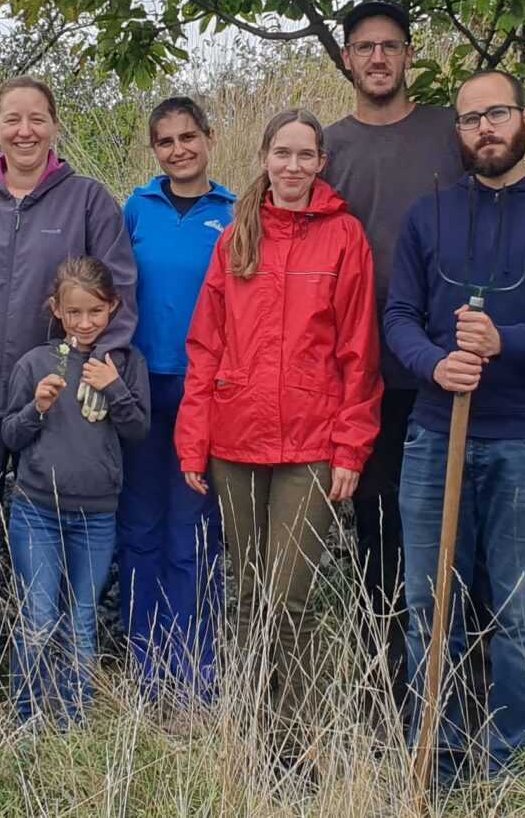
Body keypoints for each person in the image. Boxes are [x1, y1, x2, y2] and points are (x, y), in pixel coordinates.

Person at [388, 69, 525, 783]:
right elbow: (398, 316)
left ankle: (507, 762)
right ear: (457, 132)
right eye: (470, 119)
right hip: (433, 436)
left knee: (520, 609)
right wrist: (436, 365)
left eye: (498, 114)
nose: (485, 128)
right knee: (431, 605)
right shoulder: (429, 216)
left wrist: (504, 342)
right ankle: (440, 755)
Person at [0, 76, 138, 697]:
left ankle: (60, 683)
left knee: (56, 534)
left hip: (60, 400)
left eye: (37, 118)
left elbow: (119, 292)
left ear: (55, 126)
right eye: (12, 119)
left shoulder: (89, 201)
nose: (25, 131)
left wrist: (100, 372)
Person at [175, 109, 381, 769]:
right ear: (263, 156)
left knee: (286, 598)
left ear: (321, 162)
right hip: (236, 441)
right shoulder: (238, 235)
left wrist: (351, 446)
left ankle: (290, 745)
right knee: (246, 589)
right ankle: (249, 727)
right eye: (281, 153)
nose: (292, 166)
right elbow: (206, 344)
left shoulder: (345, 237)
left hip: (313, 448)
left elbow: (358, 351)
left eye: (305, 155)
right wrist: (193, 439)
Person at [318, 0, 469, 707]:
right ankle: (389, 691)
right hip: (363, 376)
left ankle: (460, 685)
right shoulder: (330, 146)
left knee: (450, 530)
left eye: (391, 45)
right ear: (346, 59)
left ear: (410, 55)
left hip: (447, 367)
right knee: (378, 535)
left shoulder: (450, 133)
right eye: (364, 47)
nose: (378, 57)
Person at [0, 258, 152, 725]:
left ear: (112, 308)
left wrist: (115, 390)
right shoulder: (34, 364)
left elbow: (138, 430)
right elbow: (9, 435)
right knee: (39, 616)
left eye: (95, 312)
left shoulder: (125, 364)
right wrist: (36, 409)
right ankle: (26, 718)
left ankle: (73, 720)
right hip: (36, 511)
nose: (85, 323)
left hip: (97, 516)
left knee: (82, 620)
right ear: (56, 311)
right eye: (74, 313)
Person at [117, 97, 233, 705]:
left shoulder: (237, 214)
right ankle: (145, 662)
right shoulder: (136, 208)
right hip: (140, 387)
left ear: (209, 139)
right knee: (140, 525)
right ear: (154, 150)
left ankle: (195, 669)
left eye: (189, 137)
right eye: (165, 141)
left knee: (194, 531)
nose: (179, 149)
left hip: (204, 391)